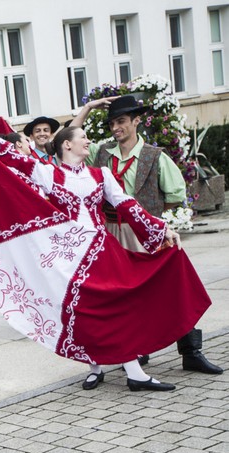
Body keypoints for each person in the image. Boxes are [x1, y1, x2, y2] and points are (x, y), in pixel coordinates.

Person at [0, 117, 211, 392]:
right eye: (83, 137)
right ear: (67, 144)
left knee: (116, 304)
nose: (88, 141)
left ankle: (133, 371)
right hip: (68, 257)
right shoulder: (48, 173)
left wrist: (160, 229)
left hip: (101, 249)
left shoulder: (100, 174)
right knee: (83, 310)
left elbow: (126, 204)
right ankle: (98, 365)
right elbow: (14, 158)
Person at [71, 95, 222, 376]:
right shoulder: (101, 153)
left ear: (136, 121)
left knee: (172, 287)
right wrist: (89, 108)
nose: (115, 127)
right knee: (124, 294)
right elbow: (66, 140)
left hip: (145, 231)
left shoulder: (155, 156)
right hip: (111, 234)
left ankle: (191, 351)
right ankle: (137, 349)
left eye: (121, 121)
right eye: (112, 122)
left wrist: (151, 222)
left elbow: (176, 195)